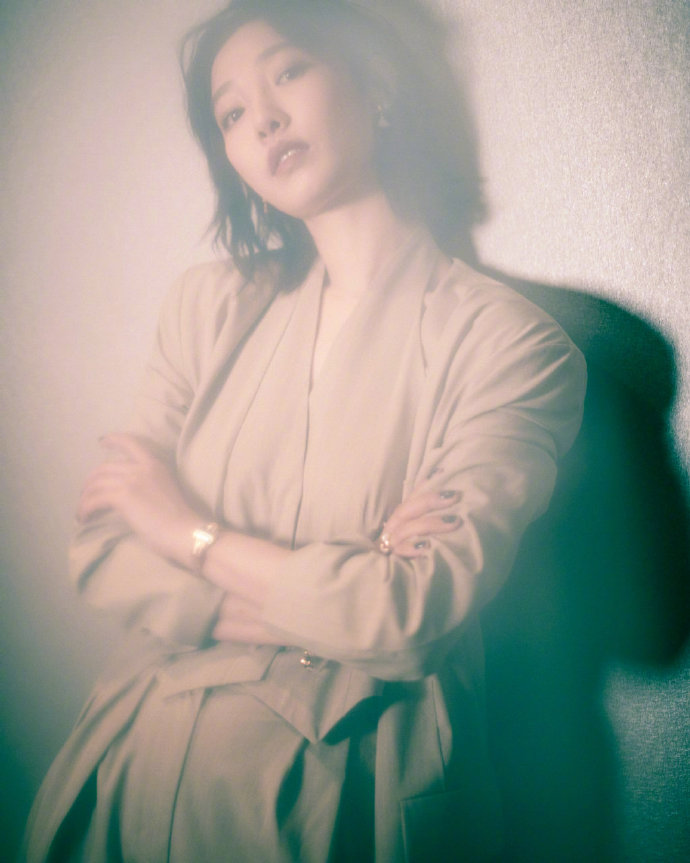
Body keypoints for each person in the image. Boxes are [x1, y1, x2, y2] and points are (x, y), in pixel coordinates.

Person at [22, 1, 586, 860]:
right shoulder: (207, 306)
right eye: (231, 113)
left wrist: (184, 531)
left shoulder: (510, 344)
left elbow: (411, 614)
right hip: (133, 773)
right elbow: (103, 549)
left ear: (374, 85)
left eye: (288, 72)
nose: (263, 120)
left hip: (343, 797)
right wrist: (346, 581)